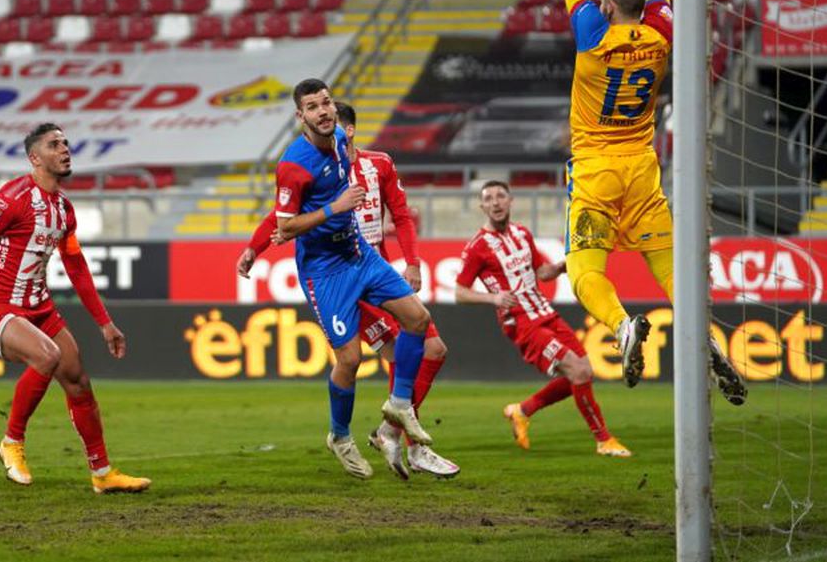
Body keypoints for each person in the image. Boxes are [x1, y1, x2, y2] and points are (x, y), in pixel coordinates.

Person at [563, 0, 746, 403]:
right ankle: (709, 342)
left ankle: (620, 324)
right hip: (644, 173)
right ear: (640, 6)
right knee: (673, 277)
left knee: (583, 267)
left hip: (596, 174)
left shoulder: (593, 37)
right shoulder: (662, 33)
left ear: (604, 5)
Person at [239, 102, 456, 479]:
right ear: (303, 117)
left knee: (427, 342)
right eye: (315, 109)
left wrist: (413, 260)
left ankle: (395, 423)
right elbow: (283, 218)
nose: (329, 120)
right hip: (331, 273)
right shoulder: (302, 164)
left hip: (368, 258)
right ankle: (385, 439)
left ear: (348, 130)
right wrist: (255, 247)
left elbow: (401, 214)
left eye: (330, 110)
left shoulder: (375, 163)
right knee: (359, 358)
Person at [0, 123, 150, 493]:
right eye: (55, 144)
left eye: (66, 143)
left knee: (78, 380)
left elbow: (75, 265)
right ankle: (12, 442)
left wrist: (105, 323)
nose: (65, 149)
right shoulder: (14, 197)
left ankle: (103, 474)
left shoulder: (64, 210)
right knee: (48, 356)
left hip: (38, 306)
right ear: (35, 158)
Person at [455, 181, 630, 457]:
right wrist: (494, 298)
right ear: (482, 206)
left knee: (583, 372)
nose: (496, 202)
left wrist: (563, 266)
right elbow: (460, 292)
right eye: (488, 198)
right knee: (579, 372)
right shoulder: (478, 247)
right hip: (521, 322)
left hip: (545, 312)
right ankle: (603, 440)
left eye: (501, 196)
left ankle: (522, 411)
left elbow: (543, 272)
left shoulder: (523, 234)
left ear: (511, 201)